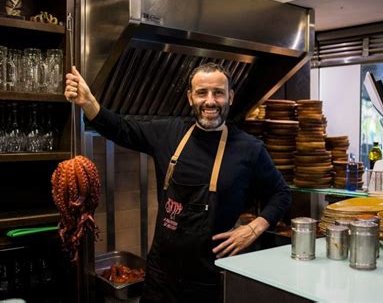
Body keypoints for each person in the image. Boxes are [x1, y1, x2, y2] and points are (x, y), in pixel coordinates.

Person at [65, 63, 292, 303]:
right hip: (160, 279)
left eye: (218, 92)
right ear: (190, 97)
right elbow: (122, 129)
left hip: (209, 282)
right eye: (202, 92)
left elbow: (281, 194)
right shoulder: (168, 133)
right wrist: (88, 101)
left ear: (231, 97)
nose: (210, 101)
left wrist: (253, 228)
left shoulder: (249, 149)